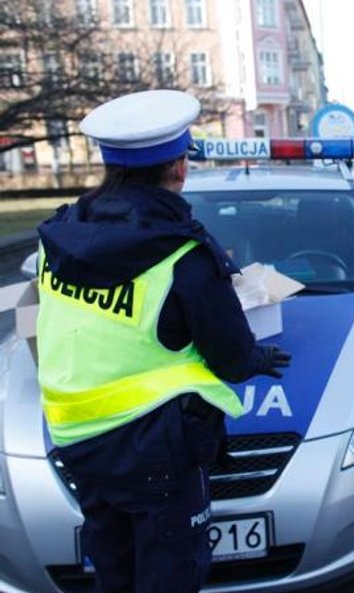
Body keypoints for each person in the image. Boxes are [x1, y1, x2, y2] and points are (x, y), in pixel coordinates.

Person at [35, 90, 291, 593]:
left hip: (75, 440)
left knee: (115, 574)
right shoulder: (181, 254)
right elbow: (232, 358)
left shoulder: (62, 237)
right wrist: (260, 357)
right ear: (178, 168)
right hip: (153, 451)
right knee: (169, 577)